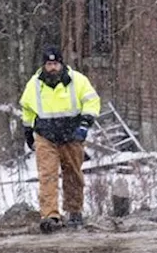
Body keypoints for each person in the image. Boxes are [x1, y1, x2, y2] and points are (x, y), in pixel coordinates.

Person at [19, 46, 100, 233]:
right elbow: (27, 108)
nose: (53, 68)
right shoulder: (34, 84)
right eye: (49, 64)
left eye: (55, 63)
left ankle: (74, 211)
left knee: (73, 174)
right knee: (47, 175)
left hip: (71, 134)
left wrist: (84, 124)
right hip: (45, 135)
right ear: (44, 65)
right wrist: (27, 131)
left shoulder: (77, 81)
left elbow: (92, 101)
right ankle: (50, 216)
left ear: (62, 64)